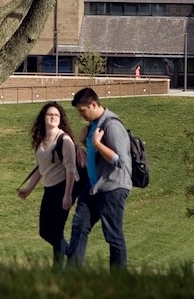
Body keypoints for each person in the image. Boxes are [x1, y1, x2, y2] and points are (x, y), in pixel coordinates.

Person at [66, 87, 132, 269]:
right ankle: (72, 272)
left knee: (112, 234)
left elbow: (120, 161)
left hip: (113, 187)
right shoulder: (93, 125)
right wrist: (85, 142)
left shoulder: (112, 125)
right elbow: (95, 156)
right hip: (94, 186)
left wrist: (96, 143)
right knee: (79, 226)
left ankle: (118, 280)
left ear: (93, 104)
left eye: (82, 111)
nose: (81, 115)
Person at [17, 101, 77, 269]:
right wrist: (28, 189)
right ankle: (72, 252)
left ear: (60, 119)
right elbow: (40, 169)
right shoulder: (41, 142)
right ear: (43, 118)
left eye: (56, 115)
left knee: (56, 233)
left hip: (63, 187)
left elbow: (71, 169)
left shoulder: (64, 139)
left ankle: (58, 270)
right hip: (49, 189)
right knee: (44, 231)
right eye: (49, 114)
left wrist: (68, 194)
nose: (53, 117)